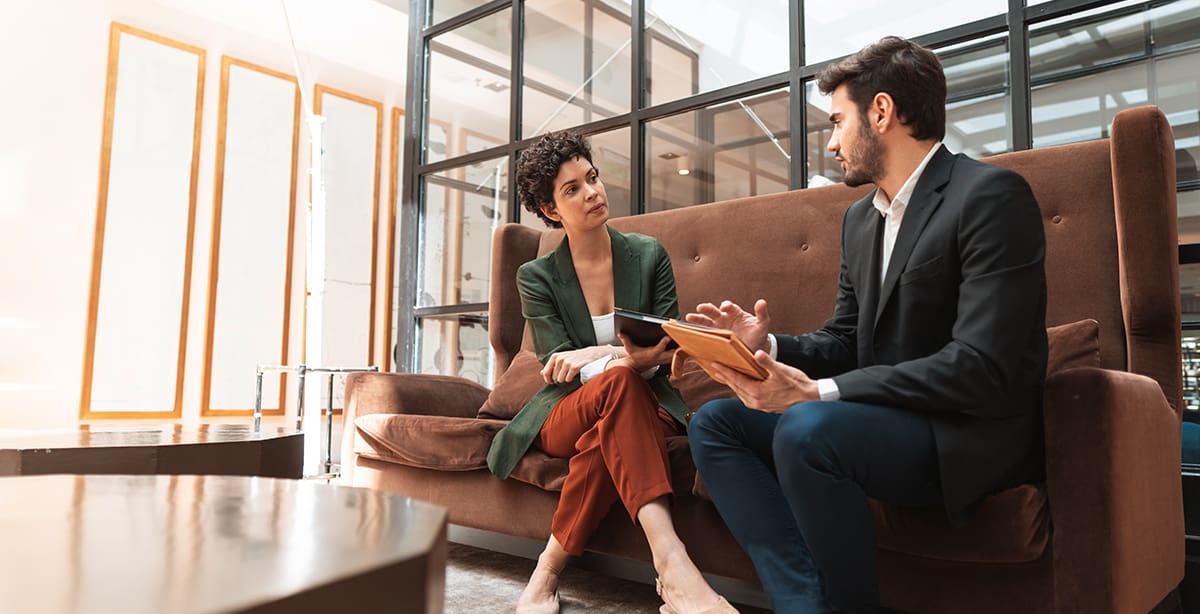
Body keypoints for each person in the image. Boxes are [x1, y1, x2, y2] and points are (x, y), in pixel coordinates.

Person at [686, 36, 1047, 614]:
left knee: (807, 429)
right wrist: (768, 346)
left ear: (881, 112)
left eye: (836, 122)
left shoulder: (990, 197)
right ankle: (804, 602)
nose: (830, 142)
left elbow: (981, 366)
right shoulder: (860, 219)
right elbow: (847, 339)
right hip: (878, 422)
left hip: (960, 433)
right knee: (716, 423)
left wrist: (815, 392)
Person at [487, 131, 737, 614]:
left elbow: (669, 347)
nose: (593, 193)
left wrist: (599, 356)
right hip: (565, 410)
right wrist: (618, 361)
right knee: (619, 382)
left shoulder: (648, 255)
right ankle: (674, 566)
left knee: (609, 432)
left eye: (592, 178)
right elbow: (559, 366)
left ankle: (547, 572)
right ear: (551, 210)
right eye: (572, 189)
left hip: (647, 404)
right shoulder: (535, 277)